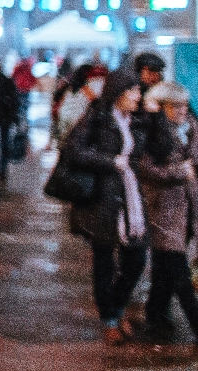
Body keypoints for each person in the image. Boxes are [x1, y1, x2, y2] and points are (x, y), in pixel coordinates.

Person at [63, 67, 151, 344]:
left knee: (136, 260)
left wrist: (156, 115)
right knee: (104, 263)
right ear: (118, 93)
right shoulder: (97, 117)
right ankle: (110, 320)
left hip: (130, 199)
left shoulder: (135, 119)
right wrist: (110, 162)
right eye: (133, 91)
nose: (138, 96)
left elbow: (155, 146)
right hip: (102, 200)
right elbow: (72, 150)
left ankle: (116, 306)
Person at [131, 91, 198, 343]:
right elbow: (144, 167)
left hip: (190, 205)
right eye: (175, 106)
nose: (181, 111)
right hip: (162, 206)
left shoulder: (194, 128)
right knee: (177, 262)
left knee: (165, 262)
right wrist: (177, 171)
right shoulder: (152, 132)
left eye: (184, 106)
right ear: (163, 107)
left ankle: (155, 312)